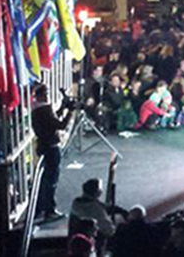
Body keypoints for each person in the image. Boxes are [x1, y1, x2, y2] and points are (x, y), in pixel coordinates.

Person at [32, 84, 73, 221]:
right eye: (45, 92)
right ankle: (49, 210)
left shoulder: (38, 109)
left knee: (45, 179)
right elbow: (60, 125)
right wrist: (71, 112)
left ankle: (40, 209)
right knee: (51, 180)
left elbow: (53, 121)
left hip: (44, 145)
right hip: (51, 147)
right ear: (39, 95)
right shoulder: (44, 109)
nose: (48, 95)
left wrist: (63, 107)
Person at [69, 178, 121, 243]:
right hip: (92, 241)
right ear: (97, 192)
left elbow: (100, 204)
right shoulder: (96, 210)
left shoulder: (76, 203)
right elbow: (109, 231)